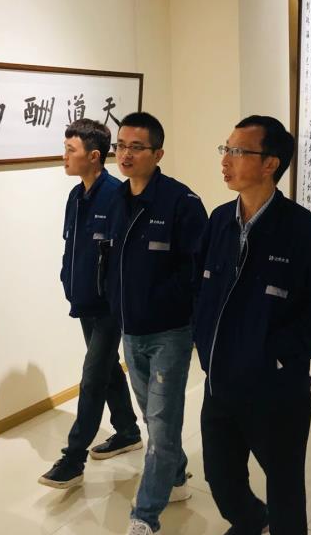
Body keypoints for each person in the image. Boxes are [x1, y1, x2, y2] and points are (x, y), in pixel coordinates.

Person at [193, 116, 311, 535]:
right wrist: (202, 337)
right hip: (219, 385)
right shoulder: (218, 221)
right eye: (225, 149)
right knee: (221, 479)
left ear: (270, 164)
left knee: (284, 490)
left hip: (276, 393)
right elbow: (199, 289)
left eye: (238, 151)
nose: (225, 160)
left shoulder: (305, 232)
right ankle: (249, 521)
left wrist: (276, 354)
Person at [103, 112, 208, 535]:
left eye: (136, 147)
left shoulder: (182, 203)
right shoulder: (116, 198)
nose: (125, 155)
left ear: (158, 153)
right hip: (131, 331)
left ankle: (144, 516)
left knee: (161, 426)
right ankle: (177, 474)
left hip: (170, 332)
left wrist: (186, 318)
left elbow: (199, 271)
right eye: (120, 146)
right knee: (152, 415)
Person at [38, 119, 142, 489]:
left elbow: (124, 257)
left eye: (71, 150)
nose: (64, 156)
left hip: (109, 305)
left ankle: (73, 459)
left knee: (93, 375)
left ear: (94, 156)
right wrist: (68, 282)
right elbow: (73, 247)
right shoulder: (75, 196)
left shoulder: (117, 196)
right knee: (107, 368)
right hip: (84, 300)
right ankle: (127, 431)